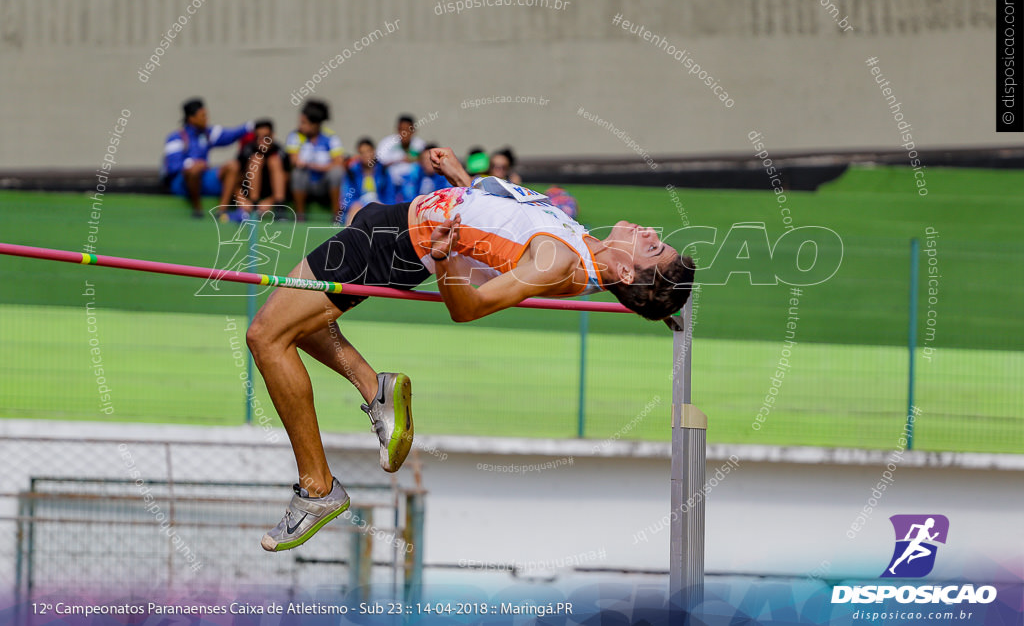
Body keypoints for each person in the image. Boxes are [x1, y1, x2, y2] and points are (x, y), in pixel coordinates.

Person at [247, 147, 695, 552]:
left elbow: (470, 307)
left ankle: (318, 488)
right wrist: (460, 176)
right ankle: (375, 390)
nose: (649, 231)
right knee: (297, 325)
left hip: (396, 243)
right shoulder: (581, 242)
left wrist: (445, 259)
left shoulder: (560, 262)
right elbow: (503, 220)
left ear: (628, 273)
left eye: (651, 246)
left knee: (266, 337)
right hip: (396, 223)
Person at [162, 98, 252, 217]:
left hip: (204, 178)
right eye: (202, 116)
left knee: (233, 166)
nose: (206, 118)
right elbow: (173, 167)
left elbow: (230, 135)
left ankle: (222, 210)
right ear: (191, 118)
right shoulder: (176, 138)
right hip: (183, 182)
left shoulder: (207, 133)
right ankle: (197, 209)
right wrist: (192, 164)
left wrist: (251, 126)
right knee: (194, 170)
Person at [286, 100, 345, 222]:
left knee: (337, 173)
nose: (300, 126)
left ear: (315, 124)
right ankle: (300, 215)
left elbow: (338, 163)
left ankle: (337, 215)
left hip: (324, 184)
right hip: (305, 183)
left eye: (304, 123)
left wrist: (311, 165)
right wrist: (323, 165)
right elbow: (294, 160)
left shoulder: (330, 137)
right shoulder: (295, 136)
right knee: (297, 173)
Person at [232, 119, 289, 218]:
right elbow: (235, 179)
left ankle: (280, 207)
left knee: (274, 161)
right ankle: (254, 203)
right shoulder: (247, 151)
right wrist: (241, 199)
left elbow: (287, 178)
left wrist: (271, 201)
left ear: (272, 136)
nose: (262, 142)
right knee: (256, 159)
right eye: (259, 137)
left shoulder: (280, 152)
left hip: (271, 197)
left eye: (266, 137)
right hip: (249, 198)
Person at [341, 138, 394, 226]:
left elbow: (390, 195)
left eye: (368, 151)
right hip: (358, 207)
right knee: (355, 209)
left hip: (379, 206)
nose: (366, 155)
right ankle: (350, 236)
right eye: (362, 153)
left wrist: (382, 205)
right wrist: (358, 204)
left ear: (374, 152)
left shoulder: (384, 171)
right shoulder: (352, 172)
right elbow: (346, 198)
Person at [376, 114, 425, 197]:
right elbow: (379, 164)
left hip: (413, 185)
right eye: (401, 130)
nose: (404, 133)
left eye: (407, 130)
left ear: (413, 130)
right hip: (390, 185)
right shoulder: (387, 144)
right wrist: (399, 160)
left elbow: (426, 162)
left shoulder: (420, 145)